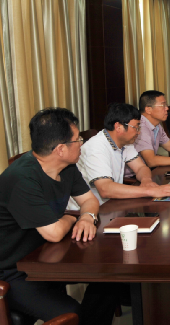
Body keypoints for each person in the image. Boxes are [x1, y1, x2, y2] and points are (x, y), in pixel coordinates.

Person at [0, 108, 121, 324]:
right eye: (78, 139)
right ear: (60, 149)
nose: (82, 143)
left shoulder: (66, 167)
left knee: (110, 280)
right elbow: (54, 233)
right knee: (71, 311)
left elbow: (89, 200)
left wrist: (87, 217)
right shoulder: (22, 178)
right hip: (13, 270)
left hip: (46, 257)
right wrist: (73, 218)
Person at [75, 103, 170, 206]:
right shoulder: (96, 148)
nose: (138, 132)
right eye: (136, 127)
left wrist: (146, 181)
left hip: (113, 203)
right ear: (118, 127)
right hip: (90, 210)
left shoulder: (125, 143)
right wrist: (149, 191)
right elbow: (105, 189)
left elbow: (141, 167)